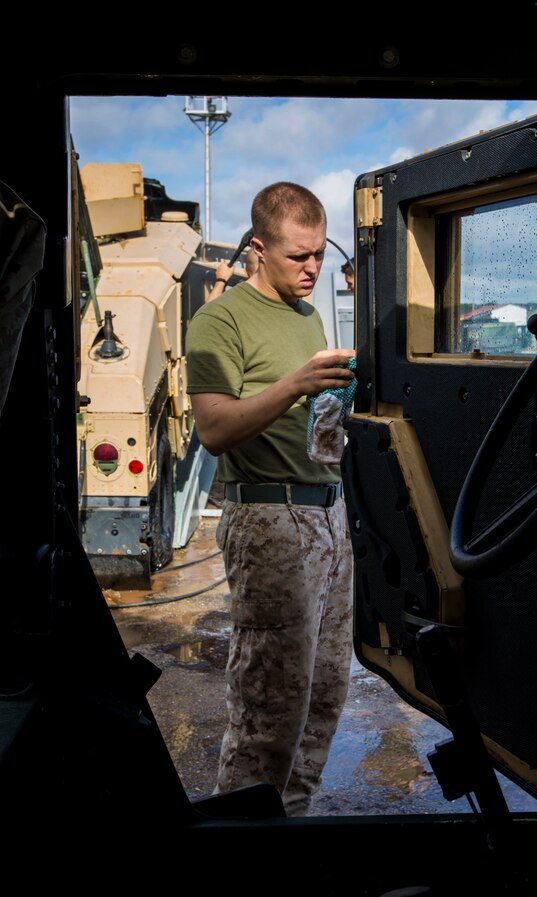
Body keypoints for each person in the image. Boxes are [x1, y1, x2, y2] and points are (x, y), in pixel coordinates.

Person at [185, 181, 356, 816]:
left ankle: (291, 829)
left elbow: (307, 421)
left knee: (322, 698)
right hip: (269, 520)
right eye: (298, 257)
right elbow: (213, 430)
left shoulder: (308, 314)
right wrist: (296, 383)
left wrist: (335, 407)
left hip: (327, 513)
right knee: (271, 708)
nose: (314, 269)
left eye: (320, 253)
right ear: (259, 250)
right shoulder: (220, 318)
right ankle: (239, 855)